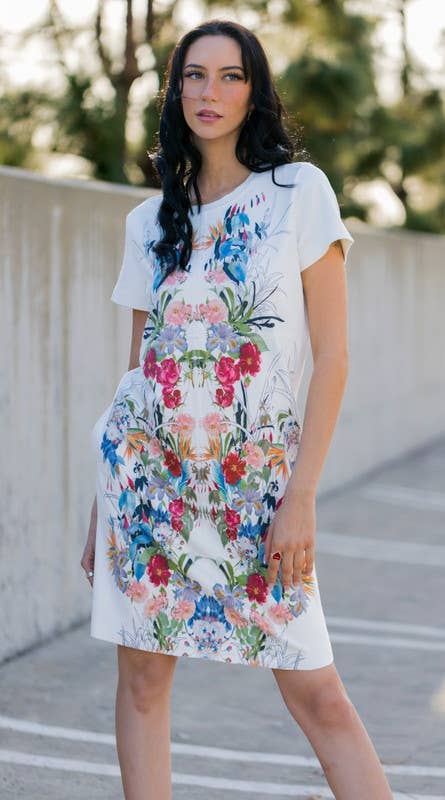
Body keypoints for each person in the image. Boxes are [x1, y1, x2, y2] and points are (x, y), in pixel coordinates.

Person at [81, 18, 394, 800]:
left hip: (258, 486)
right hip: (148, 487)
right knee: (143, 681)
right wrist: (101, 507)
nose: (208, 92)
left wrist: (301, 495)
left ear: (254, 93)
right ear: (175, 91)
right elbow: (137, 376)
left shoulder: (298, 193)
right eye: (193, 75)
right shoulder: (148, 222)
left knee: (316, 693)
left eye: (229, 76)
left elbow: (334, 357)